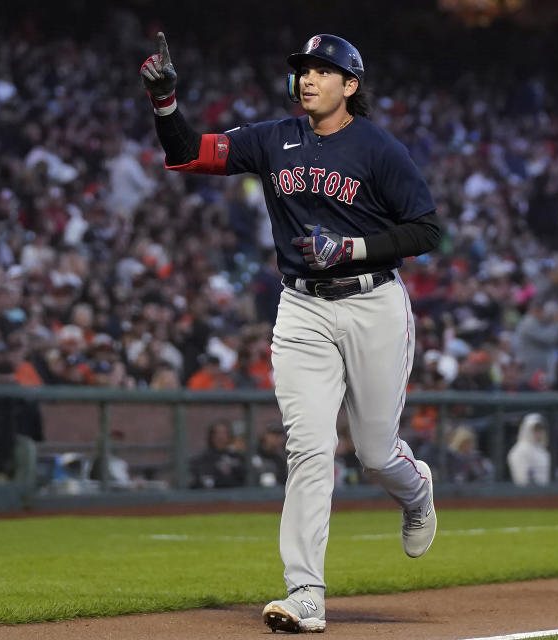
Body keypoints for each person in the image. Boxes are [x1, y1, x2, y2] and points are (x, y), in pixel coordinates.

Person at [141, 32, 442, 633]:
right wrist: (166, 102)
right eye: (303, 69)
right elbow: (188, 156)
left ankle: (416, 491)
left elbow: (427, 231)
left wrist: (351, 247)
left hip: (372, 303)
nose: (308, 79)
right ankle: (305, 594)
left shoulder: (380, 149)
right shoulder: (274, 138)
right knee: (307, 449)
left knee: (376, 453)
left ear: (350, 85)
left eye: (322, 71)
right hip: (301, 308)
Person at [188, 419, 246, 489]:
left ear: (230, 436)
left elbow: (245, 481)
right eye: (217, 434)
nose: (221, 437)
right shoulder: (200, 459)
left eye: (224, 433)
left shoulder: (238, 458)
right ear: (211, 437)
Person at [507, 413, 551, 487]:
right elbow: (521, 480)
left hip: (545, 495)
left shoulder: (543, 451)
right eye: (535, 430)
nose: (539, 433)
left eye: (541, 429)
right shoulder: (519, 451)